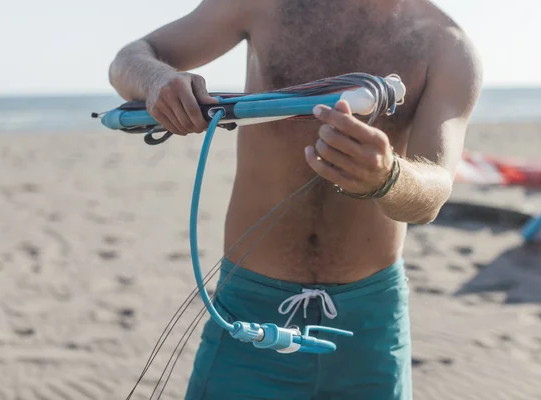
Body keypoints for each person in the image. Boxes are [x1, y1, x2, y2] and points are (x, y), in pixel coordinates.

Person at [109, 0, 482, 398]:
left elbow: (432, 196)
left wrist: (387, 178)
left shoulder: (447, 46)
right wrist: (158, 83)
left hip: (368, 324)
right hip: (250, 309)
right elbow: (129, 60)